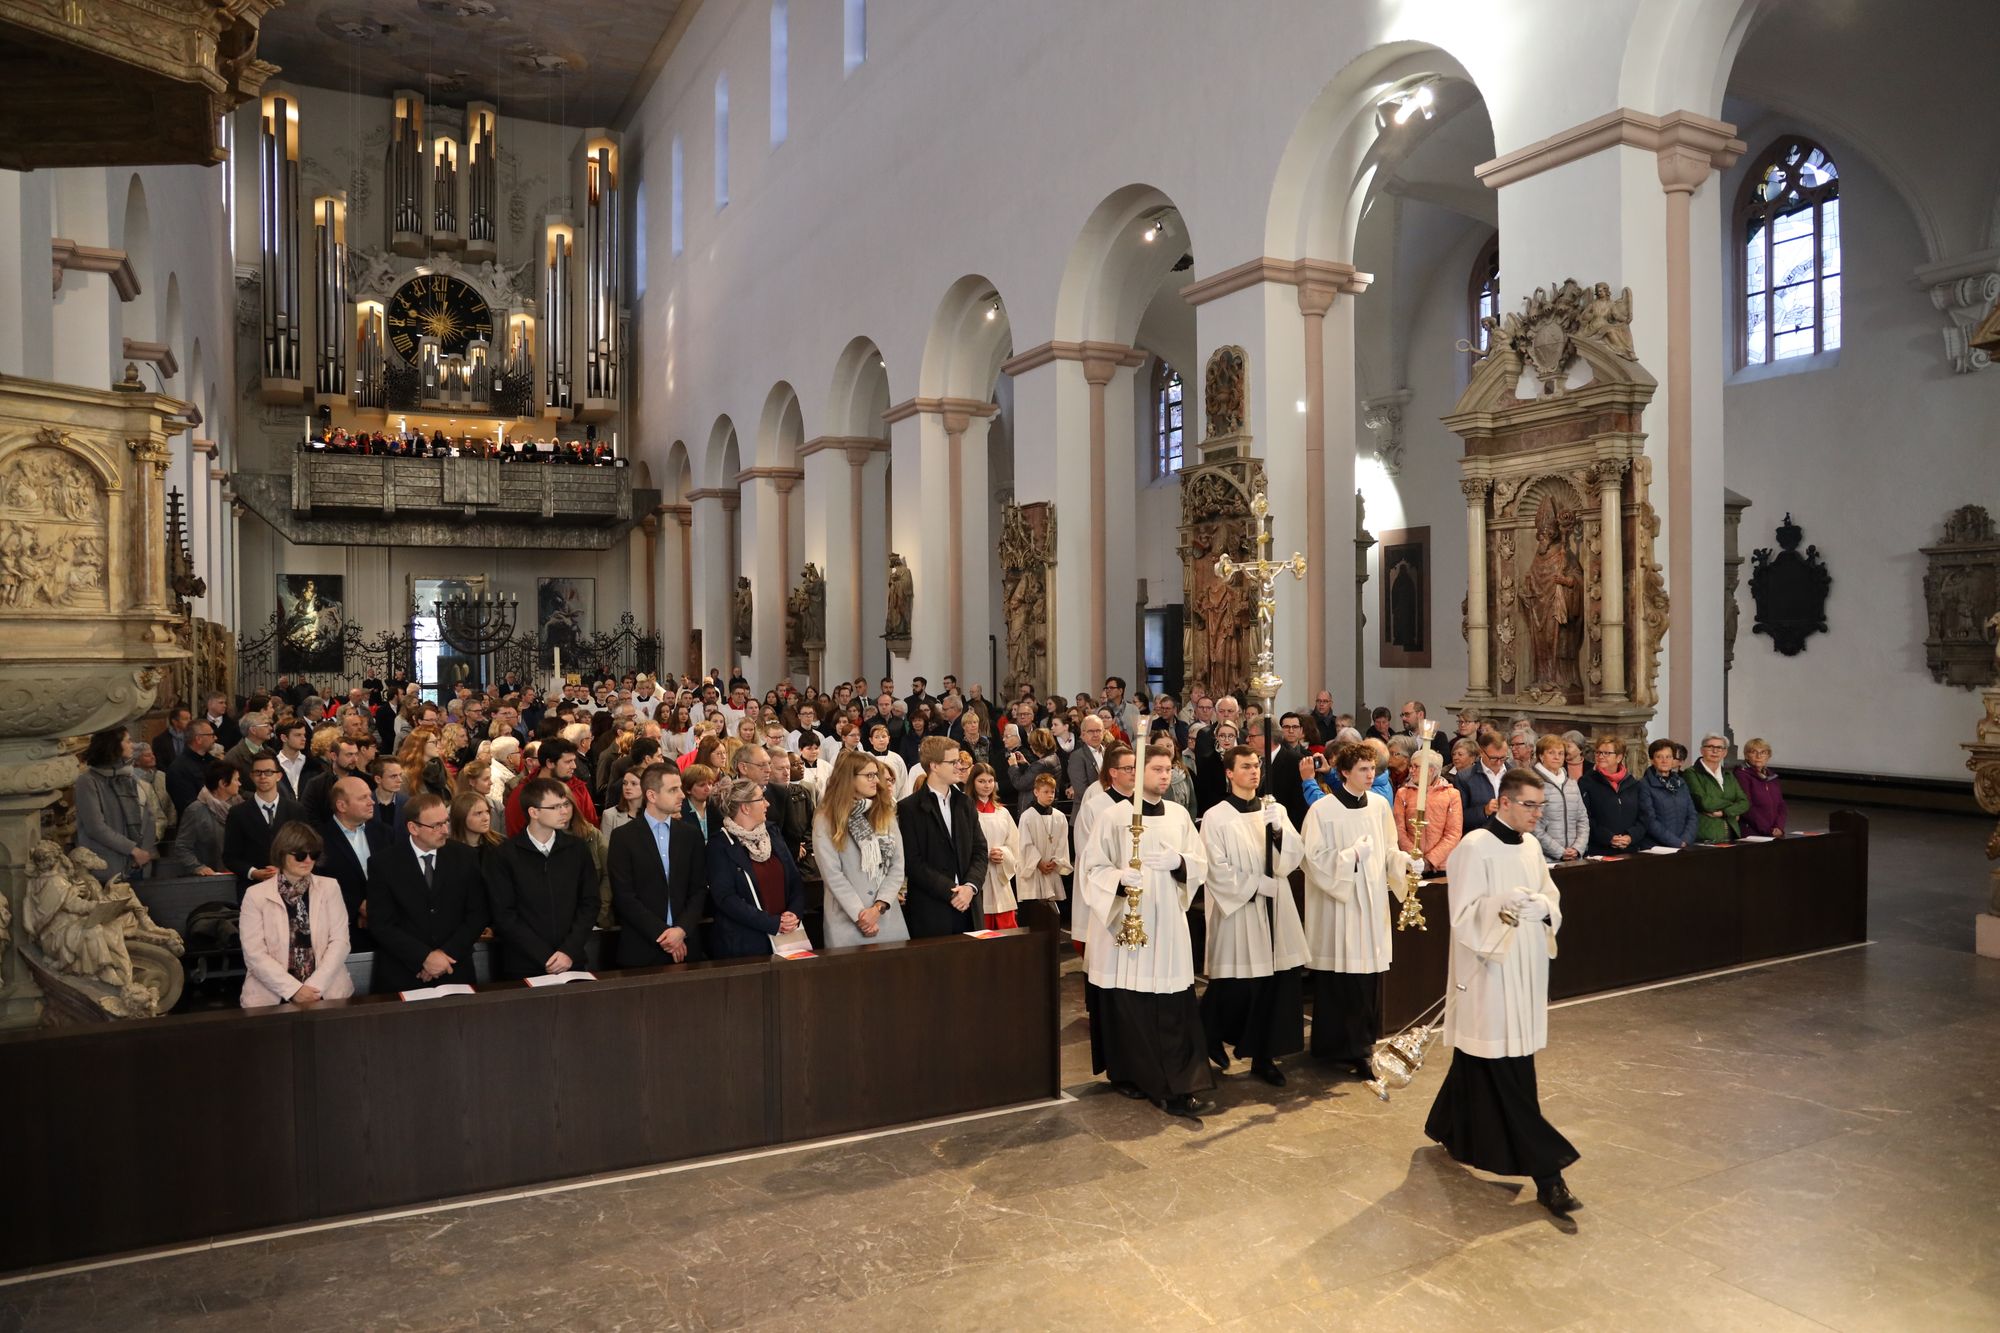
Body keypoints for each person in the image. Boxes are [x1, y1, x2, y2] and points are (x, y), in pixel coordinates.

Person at [1424, 767, 1581, 1217]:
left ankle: (1446, 1125)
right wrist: (1503, 904)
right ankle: (1548, 1176)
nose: (1537, 814)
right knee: (1508, 1070)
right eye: (1529, 805)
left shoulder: (1530, 846)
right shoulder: (1474, 847)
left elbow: (1550, 895)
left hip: (1525, 968)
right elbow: (1463, 915)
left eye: (1541, 806)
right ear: (1505, 802)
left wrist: (1543, 907)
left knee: (1480, 1061)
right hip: (1490, 974)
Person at [1078, 744, 1213, 1121]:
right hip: (1129, 927)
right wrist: (1119, 880)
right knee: (1132, 1004)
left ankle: (1178, 1081)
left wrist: (1180, 862)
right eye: (1157, 769)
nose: (1165, 775)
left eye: (1168, 769)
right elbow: (1091, 868)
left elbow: (1200, 863)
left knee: (1172, 1004)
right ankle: (1133, 1075)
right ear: (1138, 774)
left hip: (1167, 921)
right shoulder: (1113, 816)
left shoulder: (1179, 815)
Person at [1302, 740, 1418, 1075]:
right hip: (1339, 907)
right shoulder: (1322, 810)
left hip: (1370, 905)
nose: (1370, 775)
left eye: (1372, 769)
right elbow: (1312, 859)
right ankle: (1331, 1047)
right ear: (1344, 772)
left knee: (1366, 980)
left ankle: (1362, 1048)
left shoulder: (1379, 806)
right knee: (1339, 982)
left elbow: (1388, 849)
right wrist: (1349, 857)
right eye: (1363, 769)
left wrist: (1404, 862)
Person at [1200, 745, 1308, 1086]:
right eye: (1245, 766)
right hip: (1241, 910)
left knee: (1275, 984)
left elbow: (1293, 856)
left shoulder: (1274, 809)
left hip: (1276, 905)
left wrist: (1278, 832)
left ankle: (1264, 1056)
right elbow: (1214, 867)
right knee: (1237, 985)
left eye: (1256, 766)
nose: (1253, 771)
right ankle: (1210, 1034)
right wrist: (1254, 885)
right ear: (1229, 773)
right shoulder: (1216, 816)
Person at [365, 792, 487, 994]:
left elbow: (477, 913)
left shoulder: (465, 856)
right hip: (403, 972)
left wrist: (444, 955)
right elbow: (381, 924)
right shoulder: (384, 864)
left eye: (446, 822)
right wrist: (423, 958)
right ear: (413, 828)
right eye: (436, 826)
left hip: (454, 967)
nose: (445, 830)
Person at [485, 776, 600, 979]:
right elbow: (505, 914)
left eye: (565, 804)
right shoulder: (504, 855)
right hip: (524, 964)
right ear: (534, 812)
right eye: (555, 807)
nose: (564, 811)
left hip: (571, 960)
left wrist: (568, 951)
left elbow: (589, 903)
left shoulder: (577, 849)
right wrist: (544, 956)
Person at [239, 822, 354, 1009]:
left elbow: (340, 942)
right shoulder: (255, 895)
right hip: (271, 997)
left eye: (313, 854)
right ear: (282, 854)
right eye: (300, 855)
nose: (308, 860)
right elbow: (254, 953)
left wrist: (313, 988)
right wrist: (293, 990)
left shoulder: (330, 887)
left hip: (326, 993)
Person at [609, 765, 709, 967]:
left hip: (686, 944)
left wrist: (680, 931)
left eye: (680, 788)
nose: (682, 795)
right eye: (673, 790)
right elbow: (624, 896)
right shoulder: (623, 837)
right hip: (641, 947)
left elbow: (699, 889)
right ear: (652, 796)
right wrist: (665, 935)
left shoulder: (690, 835)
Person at [813, 750, 908, 947]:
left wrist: (879, 906)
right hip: (848, 919)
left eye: (876, 775)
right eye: (869, 775)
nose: (877, 781)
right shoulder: (826, 818)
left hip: (886, 916)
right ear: (849, 778)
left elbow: (897, 866)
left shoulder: (885, 812)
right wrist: (861, 915)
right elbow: (832, 874)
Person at [705, 777, 807, 958]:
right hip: (745, 944)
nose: (767, 804)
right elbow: (726, 898)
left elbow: (794, 879)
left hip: (787, 937)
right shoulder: (720, 844)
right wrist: (772, 923)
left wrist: (794, 913)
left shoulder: (772, 833)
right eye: (761, 799)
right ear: (745, 807)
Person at [896, 736, 987, 938]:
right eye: (953, 762)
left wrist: (970, 887)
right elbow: (912, 861)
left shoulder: (965, 803)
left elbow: (980, 850)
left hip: (968, 905)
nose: (959, 767)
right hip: (931, 910)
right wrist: (951, 891)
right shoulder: (909, 808)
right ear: (934, 766)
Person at [74, 725, 157, 883]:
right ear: (113, 745)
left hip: (138, 863)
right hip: (108, 866)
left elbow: (148, 817)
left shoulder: (130, 778)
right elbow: (95, 827)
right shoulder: (88, 781)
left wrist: (144, 850)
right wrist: (132, 849)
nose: (132, 745)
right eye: (128, 741)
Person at [318, 775, 390, 939]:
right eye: (363, 798)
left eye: (370, 796)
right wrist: (357, 906)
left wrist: (375, 909)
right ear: (341, 806)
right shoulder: (319, 839)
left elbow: (395, 875)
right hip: (342, 930)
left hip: (385, 926)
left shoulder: (384, 833)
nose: (371, 802)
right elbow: (320, 883)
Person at [225, 753, 304, 896]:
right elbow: (230, 857)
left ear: (278, 776)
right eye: (257, 772)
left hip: (292, 887)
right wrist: (253, 872)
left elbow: (305, 849)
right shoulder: (238, 813)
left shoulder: (296, 810)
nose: (262, 777)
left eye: (268, 772)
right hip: (252, 888)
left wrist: (285, 870)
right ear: (251, 776)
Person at [1393, 749, 1464, 874]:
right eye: (1411, 766)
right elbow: (1399, 830)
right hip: (1411, 863)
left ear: (1431, 770)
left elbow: (1453, 833)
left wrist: (1430, 860)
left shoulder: (1452, 795)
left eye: (1416, 767)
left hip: (1441, 867)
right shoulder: (1402, 793)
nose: (1411, 770)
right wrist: (1415, 858)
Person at [165, 759, 237, 878]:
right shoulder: (196, 810)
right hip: (210, 877)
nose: (239, 784)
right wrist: (197, 867)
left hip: (237, 874)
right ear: (223, 783)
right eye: (236, 780)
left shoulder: (240, 806)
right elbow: (182, 846)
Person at [969, 762, 1020, 930]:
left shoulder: (1002, 812)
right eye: (981, 781)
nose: (987, 785)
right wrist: (985, 855)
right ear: (972, 782)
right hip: (977, 876)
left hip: (1000, 876)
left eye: (990, 781)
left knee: (1006, 928)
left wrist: (1003, 853)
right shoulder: (966, 810)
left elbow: (1014, 844)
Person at [1579, 736, 1648, 855]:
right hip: (1599, 850)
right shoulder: (1586, 782)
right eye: (1598, 752)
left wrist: (1631, 836)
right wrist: (1608, 838)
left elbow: (1644, 817)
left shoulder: (1633, 784)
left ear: (1619, 757)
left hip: (1630, 849)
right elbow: (1584, 818)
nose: (1600, 756)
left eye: (1606, 753)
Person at [1530, 734, 1590, 863]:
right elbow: (1533, 825)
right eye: (1551, 753)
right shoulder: (1533, 784)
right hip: (1545, 859)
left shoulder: (1572, 784)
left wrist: (1577, 848)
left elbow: (1582, 820)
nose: (1557, 757)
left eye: (1561, 753)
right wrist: (1559, 852)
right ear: (1541, 756)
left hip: (1574, 858)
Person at [1014, 771, 1071, 906]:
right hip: (1034, 869)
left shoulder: (1059, 817)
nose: (1050, 795)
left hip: (1052, 867)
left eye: (1052, 792)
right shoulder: (1027, 816)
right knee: (1035, 908)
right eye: (1046, 792)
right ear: (1036, 792)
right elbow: (1025, 843)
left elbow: (1063, 843)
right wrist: (1038, 863)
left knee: (1052, 909)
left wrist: (1056, 861)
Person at [1685, 734, 1750, 842]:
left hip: (1731, 834)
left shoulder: (1728, 775)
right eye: (1710, 747)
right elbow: (1704, 802)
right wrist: (1733, 806)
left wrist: (1724, 812)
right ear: (1702, 750)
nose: (1715, 751)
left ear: (1725, 752)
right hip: (1705, 835)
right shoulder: (1691, 773)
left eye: (1719, 748)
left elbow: (1745, 803)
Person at [1637, 738, 1699, 849]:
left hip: (1683, 845)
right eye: (1659, 757)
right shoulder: (1644, 784)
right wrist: (1676, 842)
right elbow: (1649, 820)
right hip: (1656, 848)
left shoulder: (1681, 782)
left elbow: (1692, 815)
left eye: (1668, 757)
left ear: (1673, 760)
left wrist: (1686, 840)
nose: (1664, 761)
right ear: (1652, 760)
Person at [1453, 726, 1510, 822]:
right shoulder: (1465, 778)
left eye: (1503, 758)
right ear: (1481, 753)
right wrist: (1484, 811)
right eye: (1493, 758)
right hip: (1479, 830)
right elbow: (1458, 816)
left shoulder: (1516, 775)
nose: (1499, 762)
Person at [165, 718, 219, 815]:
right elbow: (188, 806)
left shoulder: (214, 762)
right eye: (211, 735)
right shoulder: (178, 769)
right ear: (198, 739)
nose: (215, 738)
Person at [1737, 738, 1789, 837]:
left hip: (1773, 832)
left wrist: (1779, 827)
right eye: (1753, 752)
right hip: (1751, 833)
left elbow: (1781, 805)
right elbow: (1746, 807)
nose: (1759, 756)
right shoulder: (1741, 775)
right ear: (1746, 755)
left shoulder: (1772, 777)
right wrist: (1767, 830)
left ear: (1768, 755)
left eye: (1763, 752)